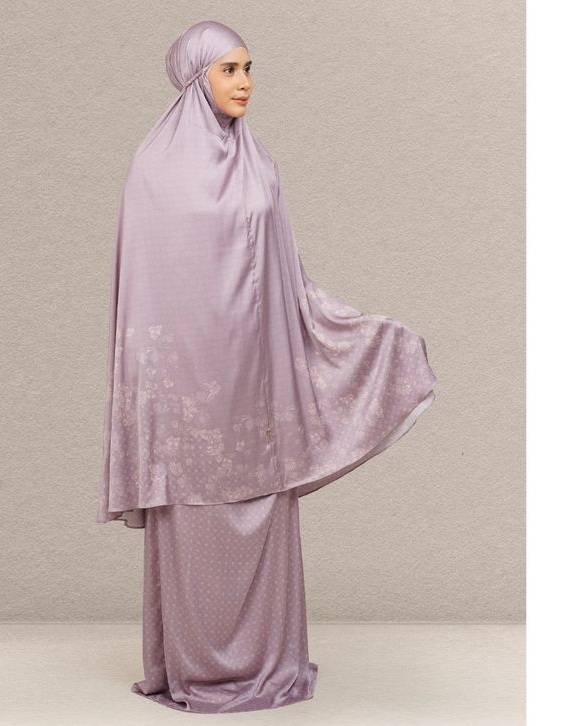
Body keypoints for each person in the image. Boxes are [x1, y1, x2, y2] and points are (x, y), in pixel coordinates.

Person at [97, 20, 437, 714]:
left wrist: (350, 332)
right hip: (188, 398)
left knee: (263, 506)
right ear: (196, 77)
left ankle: (268, 662)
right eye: (229, 70)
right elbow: (145, 297)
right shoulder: (153, 171)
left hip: (257, 386)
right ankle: (196, 669)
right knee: (196, 518)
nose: (245, 82)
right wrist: (156, 396)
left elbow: (288, 282)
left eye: (249, 67)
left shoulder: (260, 165)